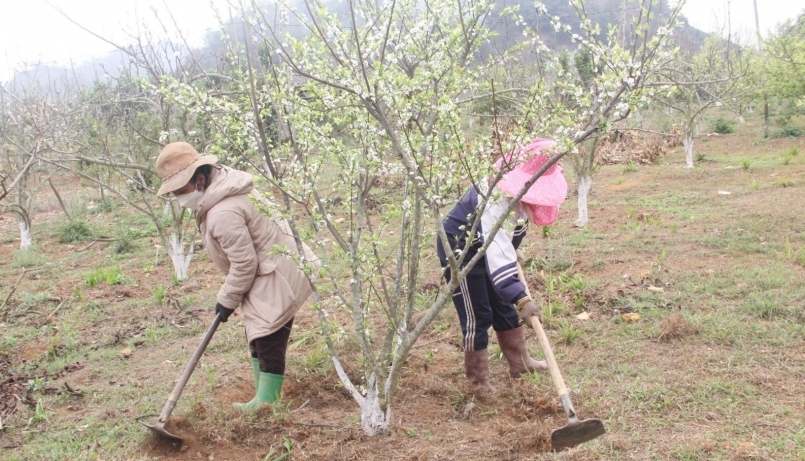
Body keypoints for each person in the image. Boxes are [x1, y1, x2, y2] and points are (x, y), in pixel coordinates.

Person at [155, 142, 319, 410]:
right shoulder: (222, 188)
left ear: (199, 179)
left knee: (268, 335)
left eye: (180, 190)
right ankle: (262, 395)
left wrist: (226, 300)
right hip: (273, 266)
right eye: (173, 192)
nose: (179, 198)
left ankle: (268, 403)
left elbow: (244, 265)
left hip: (278, 272)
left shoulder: (223, 211)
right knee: (257, 334)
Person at [437, 138, 568, 391]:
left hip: (487, 244)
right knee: (477, 313)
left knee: (502, 305)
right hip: (460, 250)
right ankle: (477, 380)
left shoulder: (520, 196)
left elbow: (504, 240)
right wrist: (521, 298)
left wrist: (512, 258)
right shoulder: (497, 198)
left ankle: (520, 363)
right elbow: (496, 248)